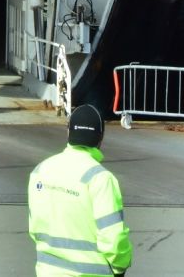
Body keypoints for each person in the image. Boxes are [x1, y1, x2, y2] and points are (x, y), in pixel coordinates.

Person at [27, 104, 133, 276]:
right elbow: (113, 239)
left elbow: (35, 229)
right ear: (101, 137)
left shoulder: (40, 171)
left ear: (69, 133)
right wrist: (121, 267)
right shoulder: (100, 179)